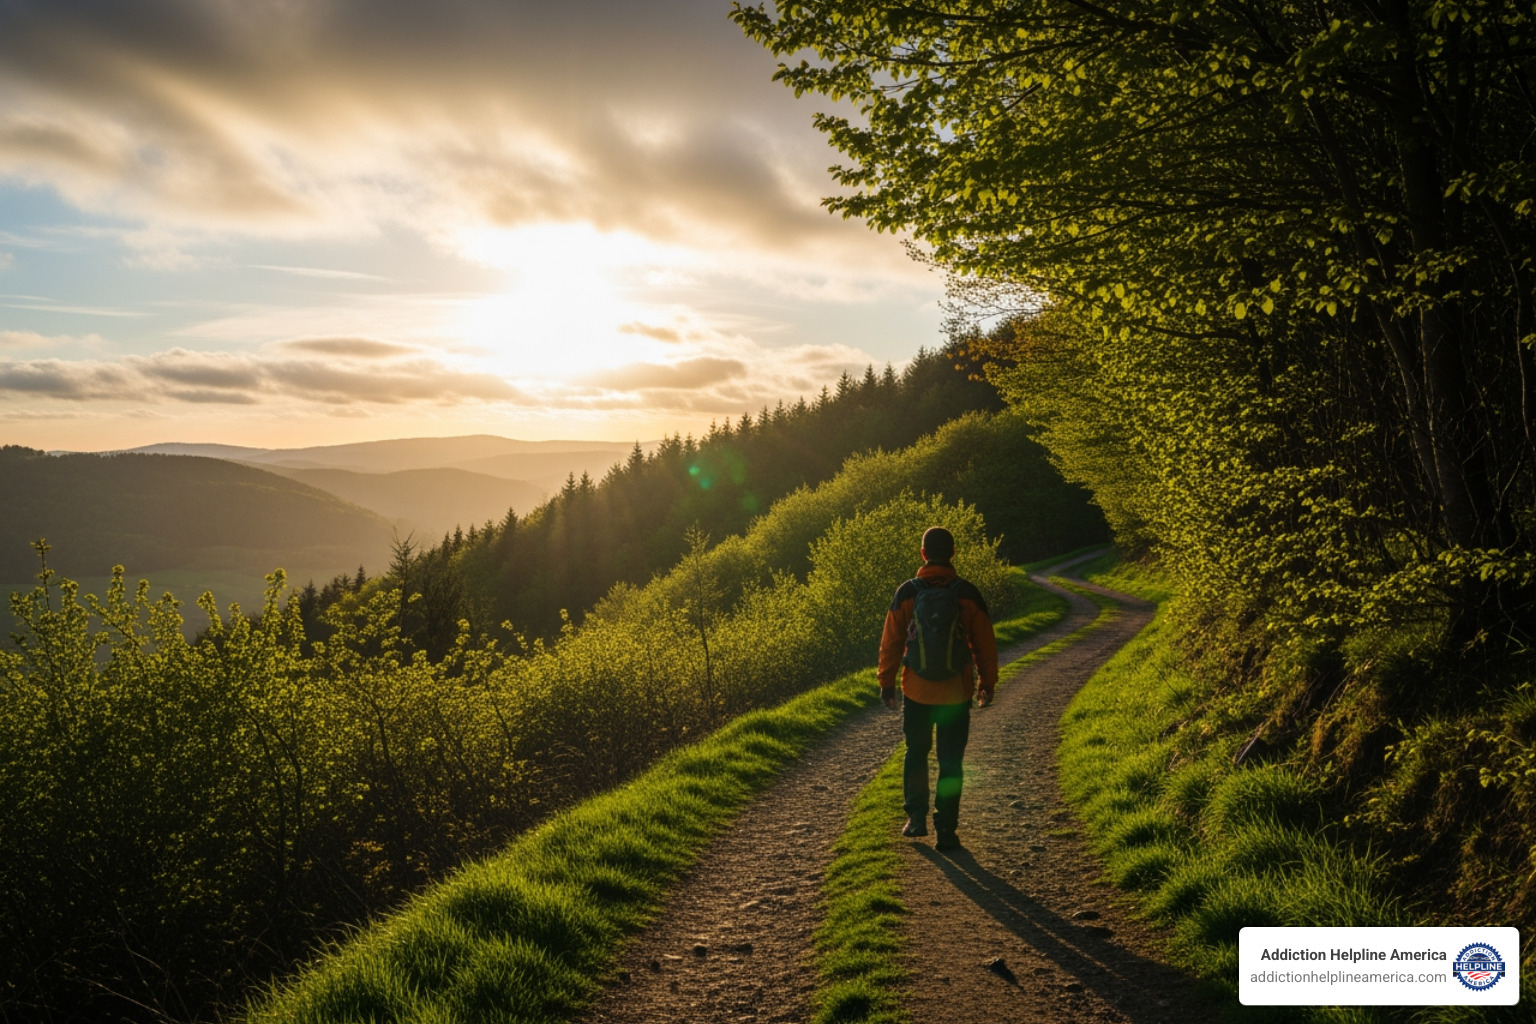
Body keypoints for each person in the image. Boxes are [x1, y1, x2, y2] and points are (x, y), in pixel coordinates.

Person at [878, 526, 998, 852]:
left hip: (916, 689)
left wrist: (886, 683)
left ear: (922, 554)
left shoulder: (907, 592)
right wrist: (987, 684)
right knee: (951, 762)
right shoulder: (967, 594)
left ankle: (915, 818)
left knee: (916, 752)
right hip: (955, 694)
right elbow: (984, 645)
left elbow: (891, 642)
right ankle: (946, 830)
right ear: (953, 553)